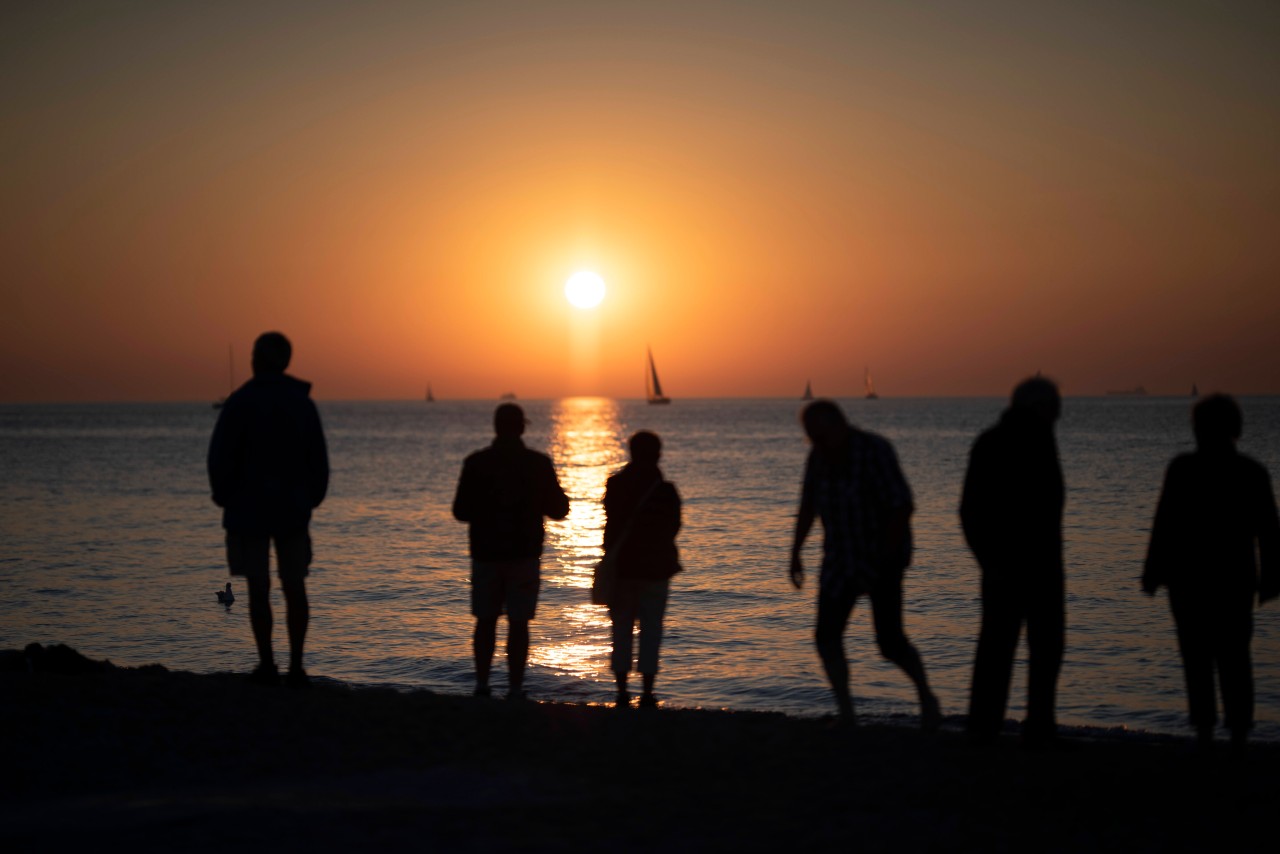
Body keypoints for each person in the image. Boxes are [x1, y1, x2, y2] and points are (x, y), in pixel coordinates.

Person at [789, 399, 940, 729]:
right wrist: (795, 552)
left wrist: (884, 558)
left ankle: (927, 698)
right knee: (826, 635)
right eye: (810, 434)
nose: (815, 439)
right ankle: (847, 711)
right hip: (839, 558)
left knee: (890, 642)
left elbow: (902, 506)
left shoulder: (874, 450)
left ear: (838, 423)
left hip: (882, 557)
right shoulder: (818, 457)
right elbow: (808, 505)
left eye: (819, 431)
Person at [1143, 394, 1279, 752]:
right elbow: (1269, 533)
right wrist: (1270, 580)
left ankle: (1206, 732)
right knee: (1234, 659)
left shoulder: (1184, 469)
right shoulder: (1251, 472)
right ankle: (1236, 734)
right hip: (1233, 583)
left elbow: (1164, 524)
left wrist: (1153, 571)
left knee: (1198, 660)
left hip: (1190, 584)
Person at [208, 331, 329, 688]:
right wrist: (312, 498)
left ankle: (267, 664)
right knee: (294, 586)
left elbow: (219, 456)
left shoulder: (240, 402)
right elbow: (318, 460)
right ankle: (294, 667)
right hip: (292, 509)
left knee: (258, 587)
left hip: (249, 511)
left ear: (258, 360)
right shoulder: (301, 403)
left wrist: (223, 495)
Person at [960, 376, 1064, 746]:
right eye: (1054, 404)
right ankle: (994, 729)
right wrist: (991, 561)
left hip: (1038, 567)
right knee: (1004, 651)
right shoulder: (1001, 443)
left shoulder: (1040, 439)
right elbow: (971, 511)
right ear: (1037, 407)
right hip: (1014, 567)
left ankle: (1025, 727)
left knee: (1035, 650)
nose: (1059, 411)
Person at [453, 403, 569, 699]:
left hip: (486, 553)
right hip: (524, 554)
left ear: (496, 427)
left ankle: (482, 685)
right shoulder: (538, 463)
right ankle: (515, 688)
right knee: (519, 623)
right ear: (522, 427)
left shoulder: (476, 463)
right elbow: (559, 509)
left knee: (485, 620)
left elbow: (460, 511)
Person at [603, 430, 682, 708]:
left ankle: (622, 692)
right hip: (656, 569)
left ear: (631, 452)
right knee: (651, 630)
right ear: (658, 455)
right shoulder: (666, 490)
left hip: (624, 568)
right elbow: (674, 527)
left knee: (621, 630)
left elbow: (610, 527)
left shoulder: (615, 485)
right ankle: (648, 692)